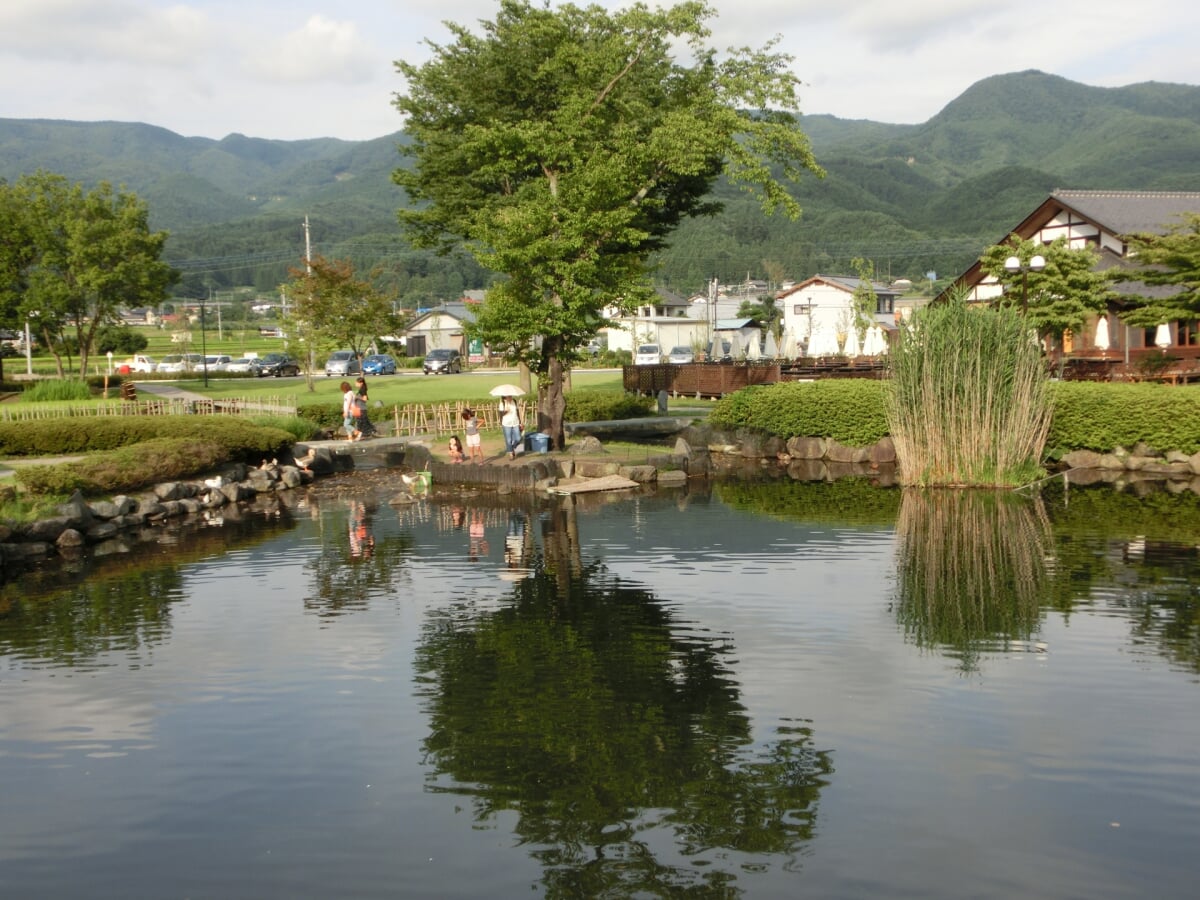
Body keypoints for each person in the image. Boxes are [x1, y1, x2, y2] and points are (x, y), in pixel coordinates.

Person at [498, 395, 522, 460]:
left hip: (515, 422)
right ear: (505, 397)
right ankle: (511, 453)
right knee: (508, 440)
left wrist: (520, 422)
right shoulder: (502, 403)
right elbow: (500, 415)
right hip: (506, 423)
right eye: (509, 396)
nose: (510, 397)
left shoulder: (514, 401)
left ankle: (511, 448)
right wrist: (506, 411)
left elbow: (517, 412)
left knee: (518, 438)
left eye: (511, 395)